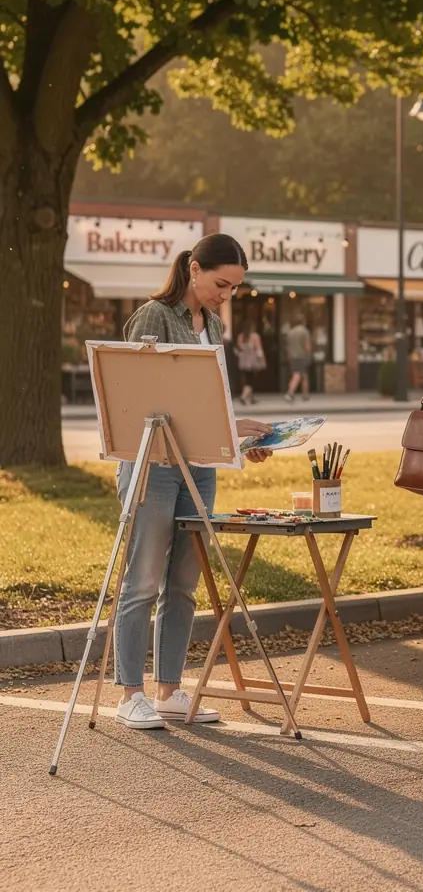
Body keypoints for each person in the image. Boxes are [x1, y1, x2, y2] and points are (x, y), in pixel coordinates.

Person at [114, 234, 275, 731]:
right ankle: (130, 694)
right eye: (221, 284)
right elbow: (136, 396)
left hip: (199, 468)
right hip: (154, 466)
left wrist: (239, 435)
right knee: (142, 580)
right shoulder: (153, 317)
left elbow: (206, 404)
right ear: (193, 268)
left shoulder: (214, 326)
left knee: (183, 583)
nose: (225, 295)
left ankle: (168, 690)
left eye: (234, 288)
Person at [235, 319, 266, 405]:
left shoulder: (241, 336)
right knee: (251, 380)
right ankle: (243, 396)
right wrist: (262, 360)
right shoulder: (255, 336)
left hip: (243, 361)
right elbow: (258, 350)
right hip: (252, 361)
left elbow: (239, 348)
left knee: (247, 378)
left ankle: (251, 398)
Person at [284, 315, 312, 403]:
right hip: (301, 356)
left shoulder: (290, 332)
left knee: (304, 375)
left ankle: (305, 395)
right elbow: (307, 345)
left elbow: (287, 347)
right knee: (297, 374)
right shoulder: (304, 331)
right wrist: (309, 354)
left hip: (293, 356)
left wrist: (289, 356)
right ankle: (290, 393)